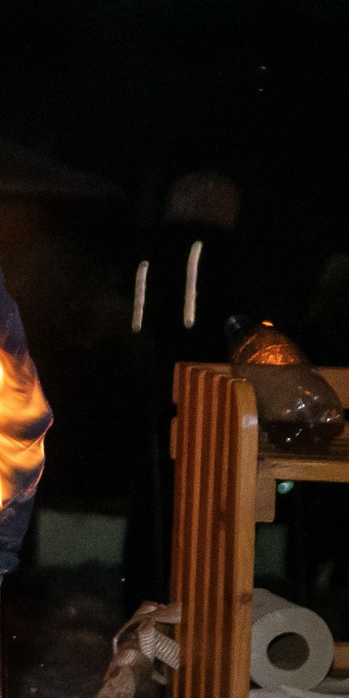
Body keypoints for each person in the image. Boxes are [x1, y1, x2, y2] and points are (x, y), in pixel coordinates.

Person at [122, 170, 251, 610]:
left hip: (154, 387)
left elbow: (138, 319)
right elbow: (229, 322)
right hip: (205, 389)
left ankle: (147, 594)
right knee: (197, 495)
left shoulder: (151, 248)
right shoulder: (219, 252)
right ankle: (186, 595)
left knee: (155, 496)